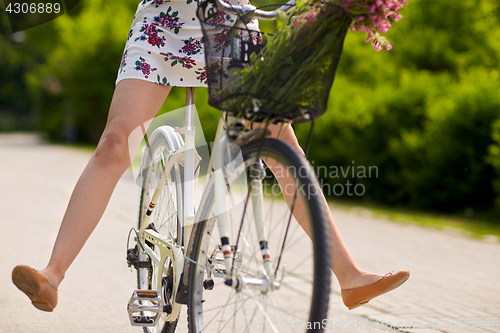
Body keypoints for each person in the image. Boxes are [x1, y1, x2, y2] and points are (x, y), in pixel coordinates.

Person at [12, 0, 409, 313]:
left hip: (231, 24)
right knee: (116, 142)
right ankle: (52, 275)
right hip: (162, 24)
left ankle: (350, 276)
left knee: (281, 144)